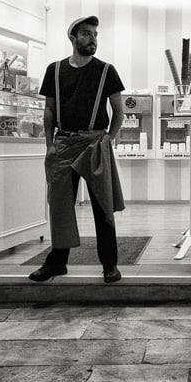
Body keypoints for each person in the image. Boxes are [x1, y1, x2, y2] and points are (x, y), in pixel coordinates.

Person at [29, 14, 126, 284]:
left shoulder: (107, 70)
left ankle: (110, 264)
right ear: (73, 37)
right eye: (86, 33)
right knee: (59, 204)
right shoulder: (55, 70)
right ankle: (57, 262)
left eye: (95, 34)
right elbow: (49, 110)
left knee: (102, 205)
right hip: (63, 142)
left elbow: (119, 111)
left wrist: (110, 138)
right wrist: (49, 145)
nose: (92, 38)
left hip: (95, 141)